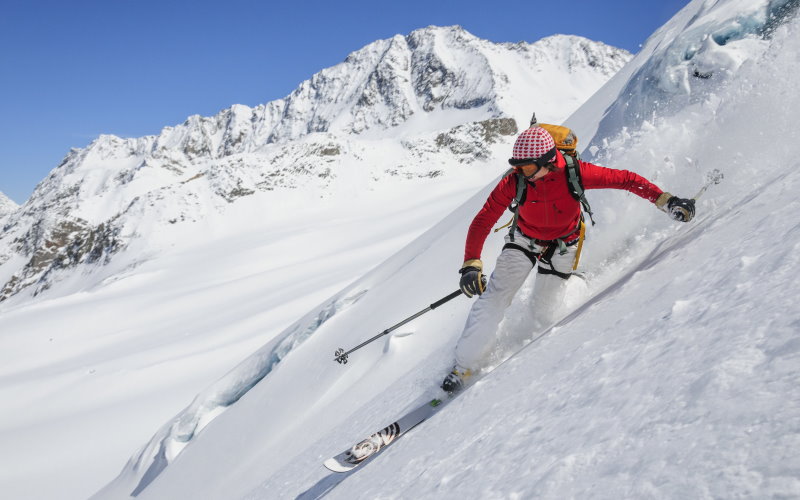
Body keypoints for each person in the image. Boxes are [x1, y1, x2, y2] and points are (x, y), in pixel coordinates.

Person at [441, 122, 695, 393]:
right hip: (524, 241)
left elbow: (626, 180)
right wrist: (471, 263)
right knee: (495, 297)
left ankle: (577, 282)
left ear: (548, 161)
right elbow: (484, 219)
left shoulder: (576, 174)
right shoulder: (515, 180)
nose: (520, 172)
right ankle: (462, 367)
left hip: (564, 244)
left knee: (543, 312)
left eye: (526, 167)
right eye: (517, 166)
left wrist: (666, 201)